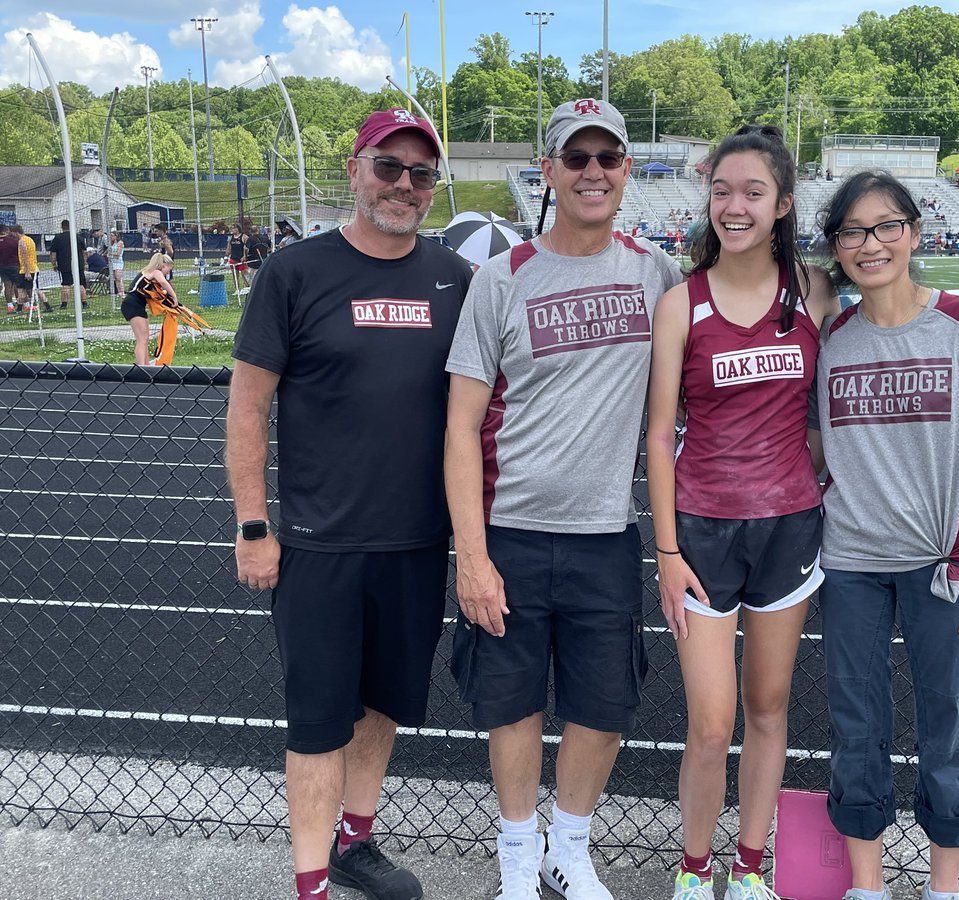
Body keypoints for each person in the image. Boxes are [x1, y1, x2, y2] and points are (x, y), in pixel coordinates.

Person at [226, 106, 473, 900]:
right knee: (318, 719)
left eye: (420, 173)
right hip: (318, 544)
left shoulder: (454, 279)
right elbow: (247, 407)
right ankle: (310, 884)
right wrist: (253, 525)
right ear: (355, 170)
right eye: (388, 167)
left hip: (415, 542)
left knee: (382, 705)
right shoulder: (294, 272)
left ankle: (353, 842)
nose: (404, 185)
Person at [444, 97, 681, 900]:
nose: (592, 172)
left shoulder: (656, 274)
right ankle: (517, 854)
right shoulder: (501, 279)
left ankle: (567, 849)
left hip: (605, 532)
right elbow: (460, 425)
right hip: (510, 530)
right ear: (547, 171)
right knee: (510, 706)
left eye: (607, 157)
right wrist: (472, 557)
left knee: (603, 706)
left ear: (627, 169)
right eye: (575, 158)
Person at [645, 124, 839, 900]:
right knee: (709, 722)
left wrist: (800, 471)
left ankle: (751, 868)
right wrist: (666, 552)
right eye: (722, 190)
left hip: (789, 529)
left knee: (767, 708)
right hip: (701, 534)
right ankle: (695, 871)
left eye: (753, 192)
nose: (735, 206)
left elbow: (829, 409)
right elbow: (659, 435)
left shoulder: (814, 293)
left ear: (782, 203)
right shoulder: (680, 304)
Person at [813, 170, 959, 900]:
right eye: (853, 232)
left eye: (886, 227)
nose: (871, 244)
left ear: (915, 233)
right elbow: (813, 447)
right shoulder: (830, 339)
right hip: (850, 562)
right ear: (836, 246)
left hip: (948, 564)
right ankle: (867, 887)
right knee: (855, 724)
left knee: (947, 728)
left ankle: (943, 889)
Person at [122, 253, 176, 366]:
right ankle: (142, 366)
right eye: (168, 269)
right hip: (133, 304)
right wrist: (174, 296)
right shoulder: (155, 272)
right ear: (163, 265)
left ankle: (146, 365)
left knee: (145, 338)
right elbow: (163, 282)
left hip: (138, 305)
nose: (167, 273)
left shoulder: (149, 274)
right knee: (142, 339)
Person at [48, 219, 88, 310]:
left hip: (64, 265)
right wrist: (85, 263)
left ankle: (64, 304)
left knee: (66, 284)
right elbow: (84, 252)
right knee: (80, 284)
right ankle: (84, 303)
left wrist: (54, 264)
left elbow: (53, 253)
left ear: (61, 227)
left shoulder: (57, 238)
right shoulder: (78, 237)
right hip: (78, 264)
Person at [12, 225, 40, 311]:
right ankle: (19, 308)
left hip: (27, 269)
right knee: (22, 289)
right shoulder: (30, 239)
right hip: (33, 268)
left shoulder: (22, 242)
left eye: (13, 234)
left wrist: (27, 272)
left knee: (29, 289)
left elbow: (25, 257)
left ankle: (44, 305)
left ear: (16, 232)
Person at [109, 230, 126, 294]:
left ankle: (122, 292)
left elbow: (118, 253)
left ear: (116, 236)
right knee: (115, 278)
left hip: (118, 262)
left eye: (112, 236)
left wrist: (110, 254)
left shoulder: (120, 243)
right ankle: (119, 292)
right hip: (113, 262)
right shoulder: (112, 243)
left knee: (119, 277)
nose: (111, 237)